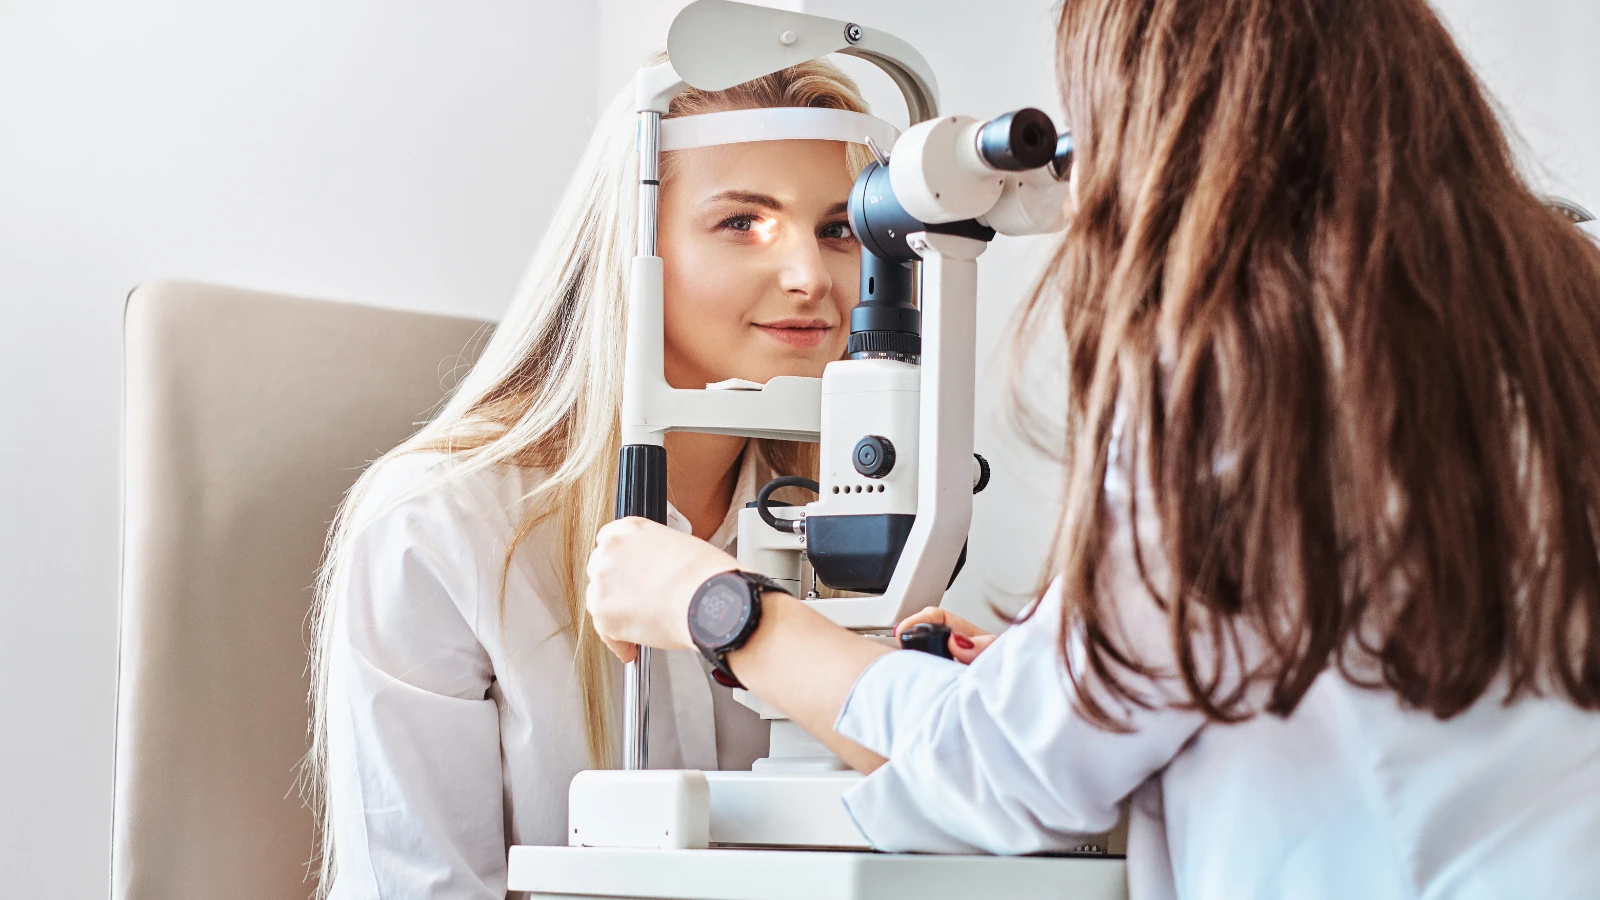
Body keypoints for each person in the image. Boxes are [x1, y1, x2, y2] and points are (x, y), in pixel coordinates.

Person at [584, 1, 1600, 898]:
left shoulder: (1265, 371)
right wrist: (1058, 665)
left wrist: (715, 606)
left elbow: (1000, 774)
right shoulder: (1552, 306)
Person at [303, 57, 876, 899]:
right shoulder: (439, 527)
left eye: (837, 230)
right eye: (745, 222)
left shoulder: (853, 530)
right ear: (632, 249)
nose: (811, 278)